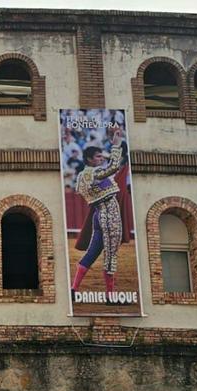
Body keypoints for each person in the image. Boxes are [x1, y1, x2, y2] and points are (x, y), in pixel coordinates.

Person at [70, 127, 127, 300]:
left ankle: (74, 289)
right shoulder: (95, 173)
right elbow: (114, 166)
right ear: (89, 159)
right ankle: (110, 296)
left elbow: (110, 171)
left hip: (97, 214)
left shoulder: (82, 176)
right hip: (109, 213)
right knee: (110, 255)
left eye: (102, 156)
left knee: (92, 253)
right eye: (98, 157)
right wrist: (116, 145)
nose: (101, 159)